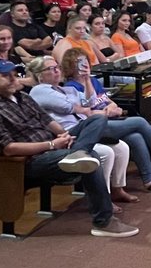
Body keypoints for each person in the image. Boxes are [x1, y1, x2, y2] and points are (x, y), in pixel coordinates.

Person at [0, 61, 138, 238]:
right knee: (92, 157)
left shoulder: (23, 97)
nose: (13, 79)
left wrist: (63, 135)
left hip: (53, 146)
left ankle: (78, 152)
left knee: (96, 120)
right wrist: (52, 145)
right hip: (31, 160)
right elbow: (8, 149)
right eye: (6, 76)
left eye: (14, 74)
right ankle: (103, 222)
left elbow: (48, 121)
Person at [59, 48, 151, 192]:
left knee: (135, 137)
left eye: (85, 60)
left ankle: (149, 181)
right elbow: (84, 112)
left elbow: (108, 101)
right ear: (71, 66)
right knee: (140, 122)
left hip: (109, 120)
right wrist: (103, 110)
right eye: (79, 62)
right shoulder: (71, 87)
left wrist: (113, 107)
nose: (84, 64)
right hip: (92, 129)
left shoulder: (93, 81)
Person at [25, 56, 134, 210]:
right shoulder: (39, 90)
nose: (57, 71)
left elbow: (91, 102)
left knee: (121, 147)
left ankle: (117, 190)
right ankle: (102, 200)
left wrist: (88, 80)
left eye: (57, 67)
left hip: (83, 129)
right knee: (106, 151)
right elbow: (67, 106)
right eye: (51, 68)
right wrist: (86, 109)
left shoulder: (67, 89)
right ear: (39, 75)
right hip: (66, 134)